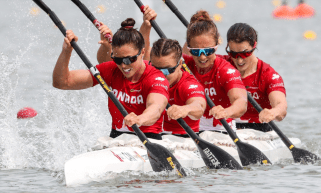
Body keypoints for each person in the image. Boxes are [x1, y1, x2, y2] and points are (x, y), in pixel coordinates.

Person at [52, 18, 169, 140]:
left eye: (129, 59)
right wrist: (66, 52)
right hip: (117, 138)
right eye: (118, 60)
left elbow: (156, 108)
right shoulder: (112, 69)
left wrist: (139, 119)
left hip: (149, 138)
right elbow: (62, 82)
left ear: (142, 52)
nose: (123, 66)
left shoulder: (156, 77)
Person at [138, 6, 206, 137]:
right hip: (152, 137)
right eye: (157, 69)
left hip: (183, 140)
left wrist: (186, 109)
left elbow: (199, 106)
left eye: (168, 70)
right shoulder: (148, 71)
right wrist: (146, 25)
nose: (162, 75)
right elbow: (142, 50)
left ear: (180, 64)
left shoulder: (188, 84)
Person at [182, 10, 247, 132]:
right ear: (189, 49)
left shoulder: (226, 70)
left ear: (217, 46)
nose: (202, 57)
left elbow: (241, 102)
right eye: (196, 51)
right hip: (191, 131)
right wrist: (146, 26)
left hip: (221, 130)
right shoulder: (183, 65)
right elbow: (148, 60)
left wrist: (226, 111)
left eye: (208, 51)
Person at [217, 23, 287, 132]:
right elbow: (189, 57)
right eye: (234, 54)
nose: (239, 60)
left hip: (259, 130)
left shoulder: (268, 75)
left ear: (254, 46)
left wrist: (273, 113)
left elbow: (281, 107)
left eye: (245, 53)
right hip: (226, 128)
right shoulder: (221, 65)